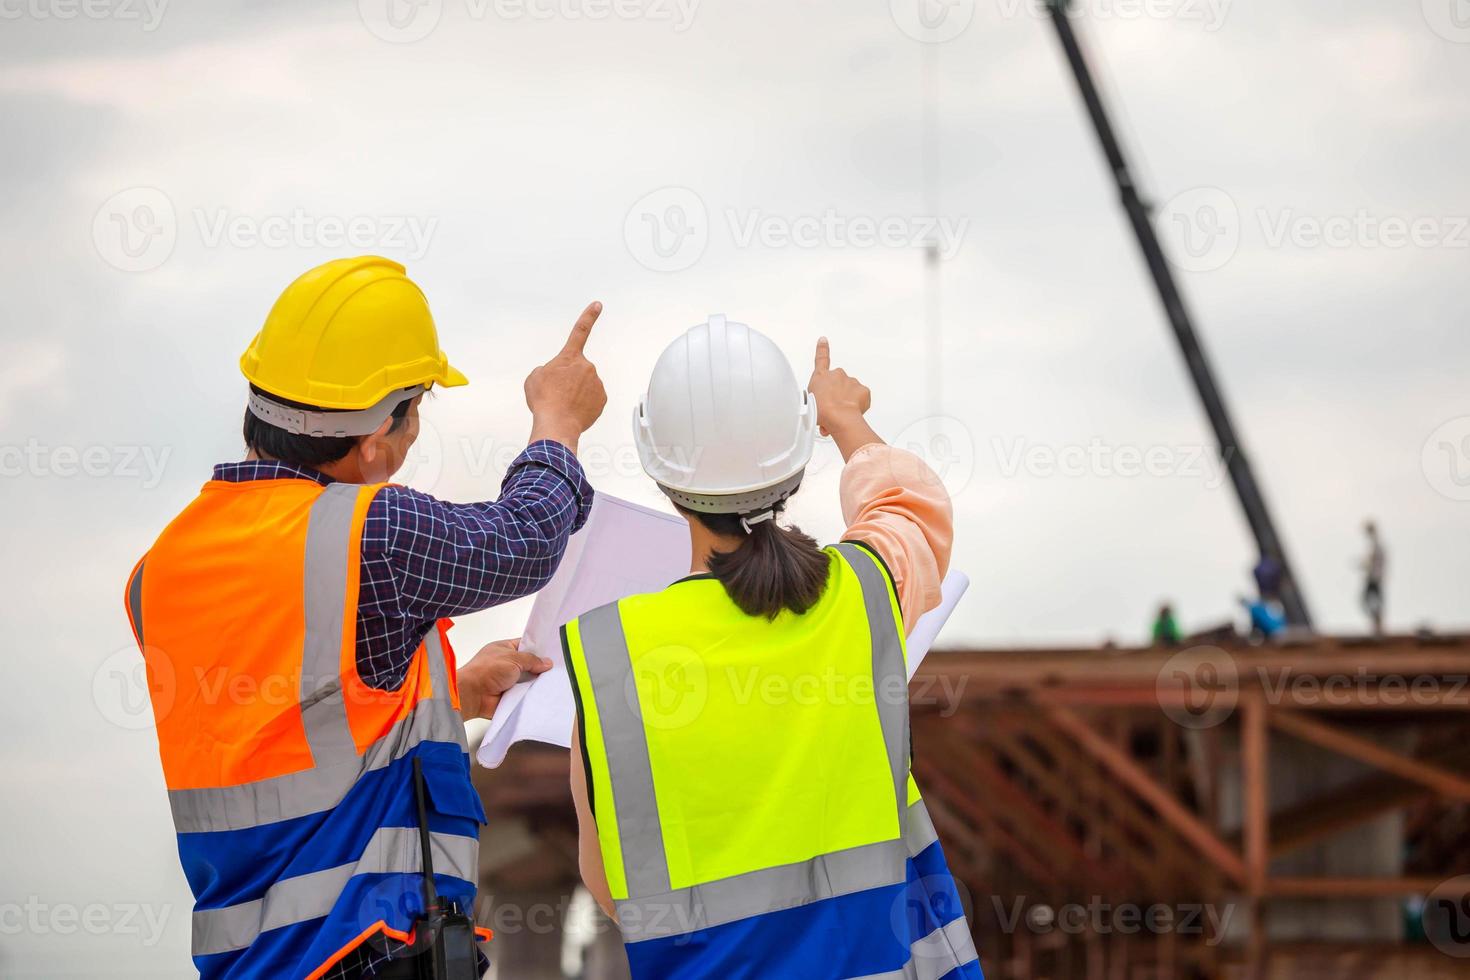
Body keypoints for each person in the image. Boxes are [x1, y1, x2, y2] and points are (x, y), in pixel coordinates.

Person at [121, 257, 607, 979]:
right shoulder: (371, 533)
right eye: (418, 413)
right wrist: (556, 423)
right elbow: (527, 539)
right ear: (378, 438)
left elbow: (287, 716)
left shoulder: (158, 571)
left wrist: (458, 694)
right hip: (363, 954)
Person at [563, 316, 982, 979]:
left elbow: (615, 890)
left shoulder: (611, 653)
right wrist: (844, 418)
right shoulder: (864, 594)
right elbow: (910, 506)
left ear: (662, 475)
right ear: (792, 463)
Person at [1361, 519, 1386, 636]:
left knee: (1371, 602)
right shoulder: (1376, 545)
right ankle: (1377, 626)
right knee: (1373, 602)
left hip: (1373, 579)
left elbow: (1371, 563)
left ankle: (1377, 627)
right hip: (1375, 578)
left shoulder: (1376, 546)